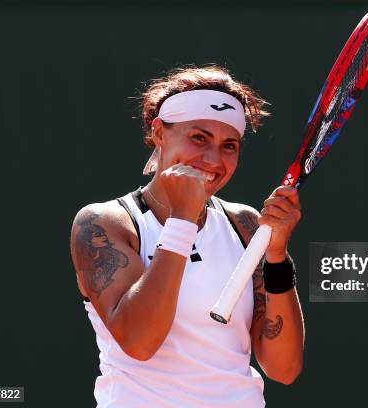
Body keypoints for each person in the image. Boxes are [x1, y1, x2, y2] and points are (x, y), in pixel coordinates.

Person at [70, 65, 305, 407]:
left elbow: (283, 369)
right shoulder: (105, 223)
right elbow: (140, 342)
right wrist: (183, 217)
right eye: (199, 138)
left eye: (229, 145)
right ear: (159, 133)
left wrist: (277, 256)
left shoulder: (245, 225)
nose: (213, 159)